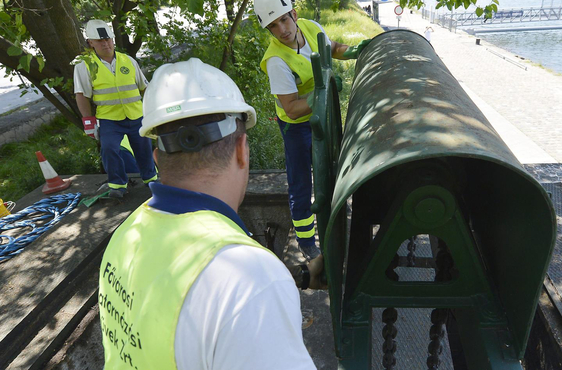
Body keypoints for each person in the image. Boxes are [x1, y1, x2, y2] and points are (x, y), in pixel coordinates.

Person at [98, 58, 324, 369]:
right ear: (243, 150)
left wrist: (298, 276)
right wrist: (270, 283)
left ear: (156, 158)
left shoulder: (126, 235)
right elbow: (224, 295)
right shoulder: (251, 281)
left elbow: (177, 305)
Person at [254, 0, 372, 259]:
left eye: (284, 20)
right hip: (295, 126)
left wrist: (353, 52)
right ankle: (307, 241)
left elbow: (333, 49)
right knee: (301, 182)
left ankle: (336, 209)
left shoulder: (310, 28)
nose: (282, 29)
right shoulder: (276, 61)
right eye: (273, 26)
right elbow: (292, 108)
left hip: (322, 113)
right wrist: (323, 89)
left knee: (333, 164)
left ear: (294, 15)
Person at [74, 19, 158, 199]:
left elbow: (145, 87)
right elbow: (81, 95)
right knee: (110, 148)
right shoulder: (85, 65)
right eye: (100, 41)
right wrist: (88, 122)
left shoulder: (127, 60)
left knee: (144, 148)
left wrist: (154, 109)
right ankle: (118, 186)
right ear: (91, 43)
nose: (105, 44)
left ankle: (151, 180)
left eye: (108, 40)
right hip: (109, 118)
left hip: (136, 115)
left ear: (112, 39)